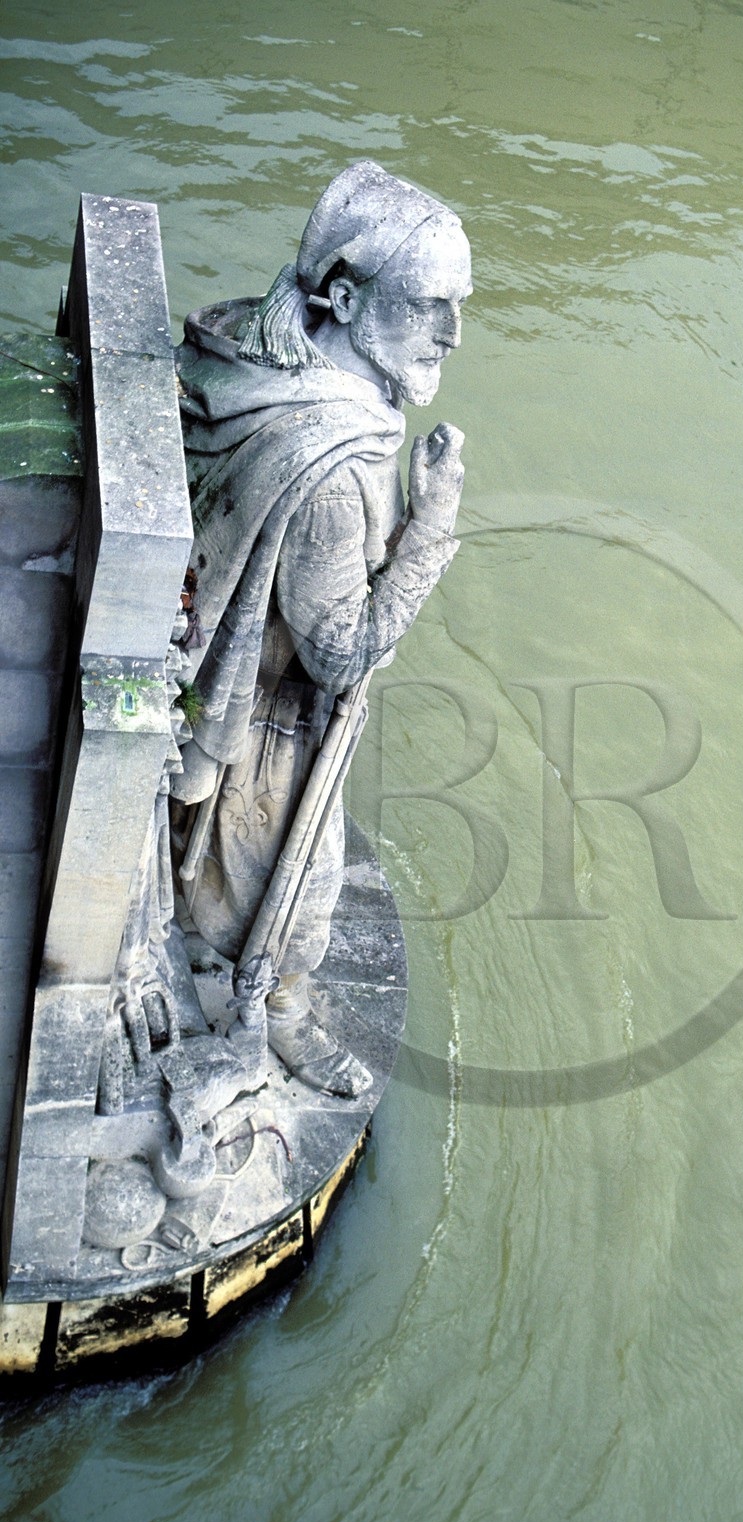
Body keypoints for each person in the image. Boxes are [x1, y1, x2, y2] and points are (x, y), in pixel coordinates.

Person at [152, 160, 471, 1094]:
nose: (452, 333)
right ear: (341, 294)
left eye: (460, 304)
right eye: (428, 305)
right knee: (295, 896)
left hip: (205, 661)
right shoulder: (334, 465)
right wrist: (431, 525)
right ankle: (274, 1005)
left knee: (233, 877)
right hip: (262, 721)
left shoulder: (252, 347)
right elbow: (337, 651)